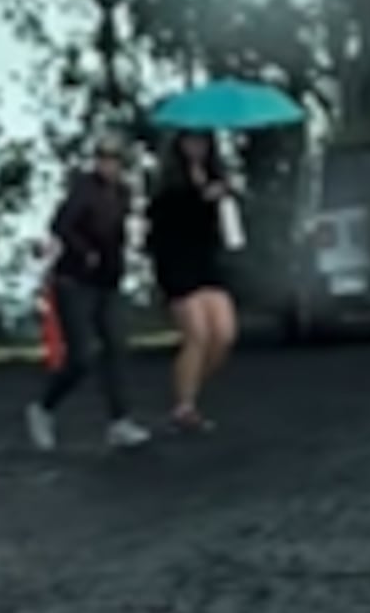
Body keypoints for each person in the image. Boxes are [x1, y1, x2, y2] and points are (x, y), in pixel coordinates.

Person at [27, 131, 148, 453]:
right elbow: (60, 226)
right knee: (81, 356)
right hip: (75, 281)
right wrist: (85, 252)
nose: (109, 166)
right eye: (103, 159)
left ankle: (119, 421)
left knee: (117, 348)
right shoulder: (83, 190)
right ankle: (44, 408)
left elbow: (120, 233)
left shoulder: (123, 193)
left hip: (107, 282)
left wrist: (124, 260)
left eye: (115, 160)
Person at [148, 130, 240, 432]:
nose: (196, 146)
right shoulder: (169, 185)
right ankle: (184, 407)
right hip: (178, 264)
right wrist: (200, 197)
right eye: (190, 140)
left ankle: (188, 390)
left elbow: (224, 229)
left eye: (202, 140)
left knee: (224, 334)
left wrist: (223, 197)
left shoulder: (217, 177)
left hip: (208, 264)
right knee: (197, 334)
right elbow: (162, 223)